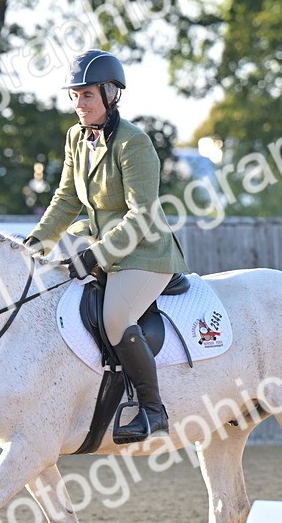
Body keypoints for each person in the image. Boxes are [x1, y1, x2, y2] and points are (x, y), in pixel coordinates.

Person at [24, 49, 189, 442]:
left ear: (111, 94)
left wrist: (96, 255)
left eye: (87, 96)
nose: (79, 104)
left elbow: (143, 215)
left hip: (146, 252)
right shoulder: (75, 138)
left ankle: (152, 410)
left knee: (116, 316)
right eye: (75, 96)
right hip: (101, 245)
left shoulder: (134, 143)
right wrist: (37, 242)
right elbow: (66, 199)